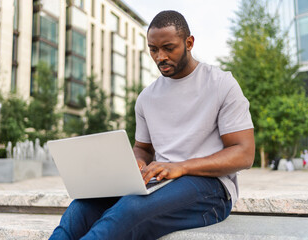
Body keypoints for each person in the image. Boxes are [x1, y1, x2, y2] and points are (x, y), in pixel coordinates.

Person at [49, 10, 255, 240]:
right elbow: (143, 149)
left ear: (189, 43)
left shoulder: (221, 84)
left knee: (131, 209)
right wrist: (136, 163)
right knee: (81, 208)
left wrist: (182, 166)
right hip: (159, 182)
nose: (160, 57)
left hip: (210, 189)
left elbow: (244, 153)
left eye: (169, 48)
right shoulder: (147, 97)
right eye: (153, 49)